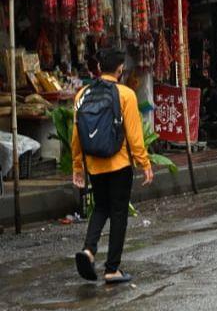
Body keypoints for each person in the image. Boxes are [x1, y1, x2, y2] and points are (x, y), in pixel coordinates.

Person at [72, 48, 152, 284]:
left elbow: (76, 134)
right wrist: (144, 162)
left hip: (94, 164)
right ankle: (112, 269)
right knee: (118, 213)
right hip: (119, 162)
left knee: (100, 208)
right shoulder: (126, 94)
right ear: (119, 69)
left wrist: (78, 166)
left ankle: (88, 250)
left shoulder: (82, 95)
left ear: (98, 68)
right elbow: (135, 136)